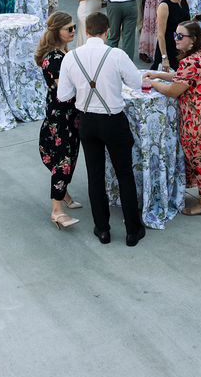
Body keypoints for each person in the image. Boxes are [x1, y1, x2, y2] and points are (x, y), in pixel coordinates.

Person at [56, 12, 145, 247]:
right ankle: (133, 231)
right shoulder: (116, 54)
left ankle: (102, 229)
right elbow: (136, 84)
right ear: (107, 32)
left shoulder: (71, 57)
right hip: (113, 120)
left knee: (95, 176)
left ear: (86, 31)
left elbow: (63, 95)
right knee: (124, 174)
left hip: (87, 121)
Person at [143, 20, 201, 215]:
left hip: (197, 123)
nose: (175, 39)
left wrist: (153, 84)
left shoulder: (190, 62)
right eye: (175, 35)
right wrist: (158, 74)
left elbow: (173, 91)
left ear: (193, 40)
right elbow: (182, 77)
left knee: (200, 161)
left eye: (180, 36)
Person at [35, 12, 83, 229]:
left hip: (70, 115)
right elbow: (66, 90)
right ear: (57, 32)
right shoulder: (54, 59)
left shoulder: (64, 52)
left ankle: (64, 194)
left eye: (74, 27)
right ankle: (57, 210)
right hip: (60, 116)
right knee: (63, 160)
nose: (73, 31)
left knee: (70, 157)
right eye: (69, 29)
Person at [152, 0, 191, 71]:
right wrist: (164, 58)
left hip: (182, 49)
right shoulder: (164, 6)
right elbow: (160, 35)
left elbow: (183, 23)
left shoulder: (185, 1)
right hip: (169, 48)